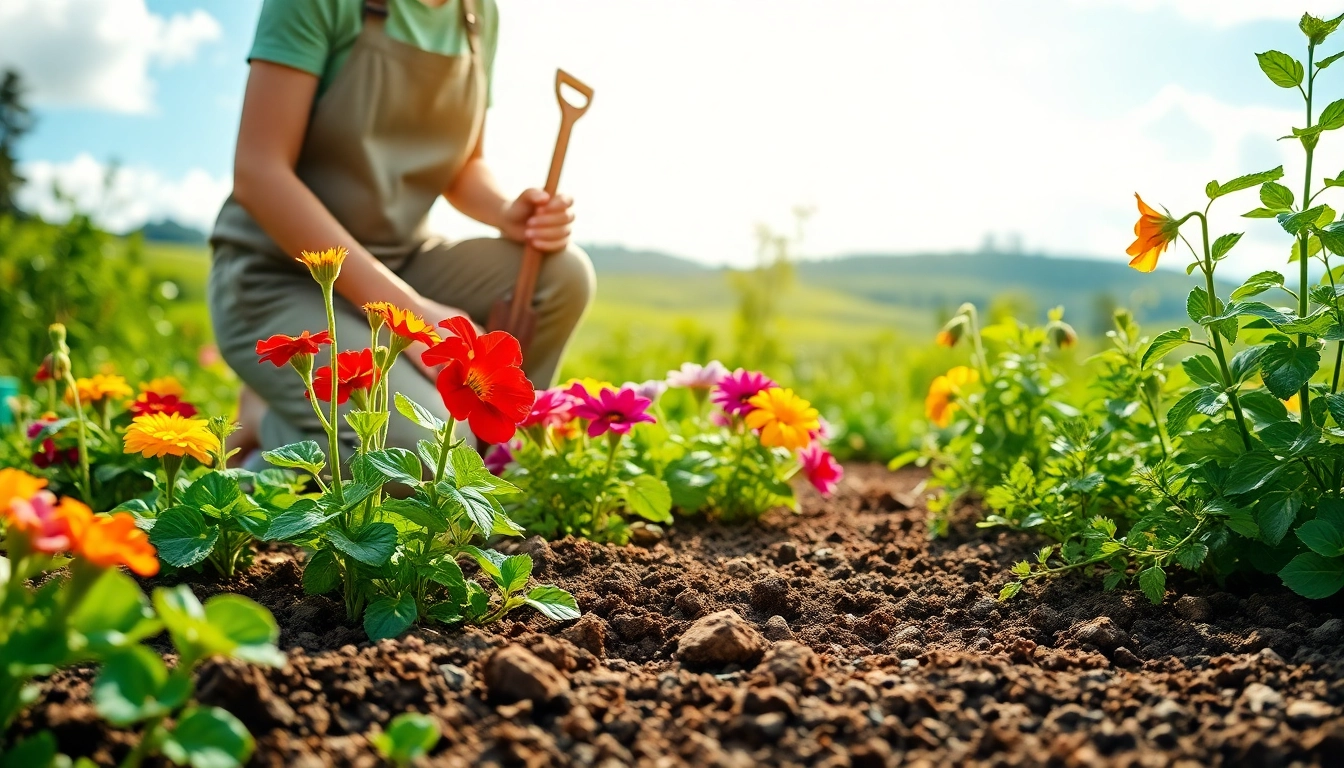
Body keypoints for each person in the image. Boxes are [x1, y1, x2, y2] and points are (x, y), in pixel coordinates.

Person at [207, 0, 594, 463]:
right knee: (426, 460)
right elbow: (259, 173)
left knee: (562, 274)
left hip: (403, 260)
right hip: (282, 278)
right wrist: (412, 315)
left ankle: (501, 458)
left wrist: (505, 210)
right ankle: (270, 421)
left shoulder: (477, 14)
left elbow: (465, 163)